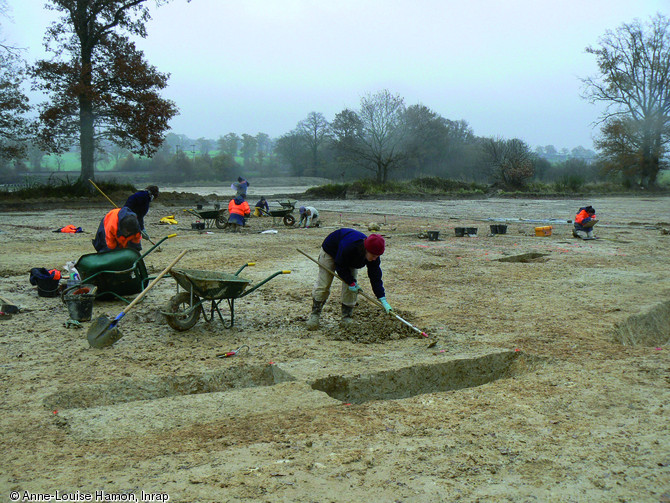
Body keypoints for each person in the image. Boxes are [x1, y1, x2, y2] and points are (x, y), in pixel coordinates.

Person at [306, 228, 392, 330]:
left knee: (351, 288)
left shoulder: (374, 253)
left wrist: (382, 298)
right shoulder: (349, 246)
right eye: (373, 256)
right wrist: (350, 282)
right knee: (324, 284)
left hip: (349, 259)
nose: (375, 259)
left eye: (377, 256)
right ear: (366, 249)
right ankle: (315, 314)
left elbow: (375, 276)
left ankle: (346, 317)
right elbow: (340, 265)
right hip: (330, 251)